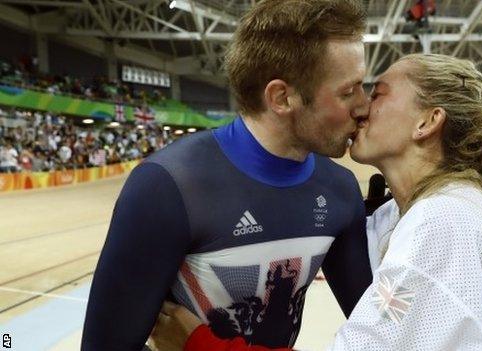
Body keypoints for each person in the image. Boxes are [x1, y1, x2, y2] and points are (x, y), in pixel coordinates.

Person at [154, 54, 482, 351]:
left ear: (427, 122)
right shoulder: (445, 207)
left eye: (377, 94)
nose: (361, 108)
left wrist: (197, 343)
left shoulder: (441, 222)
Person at [81, 1, 372, 350]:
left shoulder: (341, 190)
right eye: (348, 90)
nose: (363, 105)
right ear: (281, 97)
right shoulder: (168, 187)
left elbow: (382, 331)